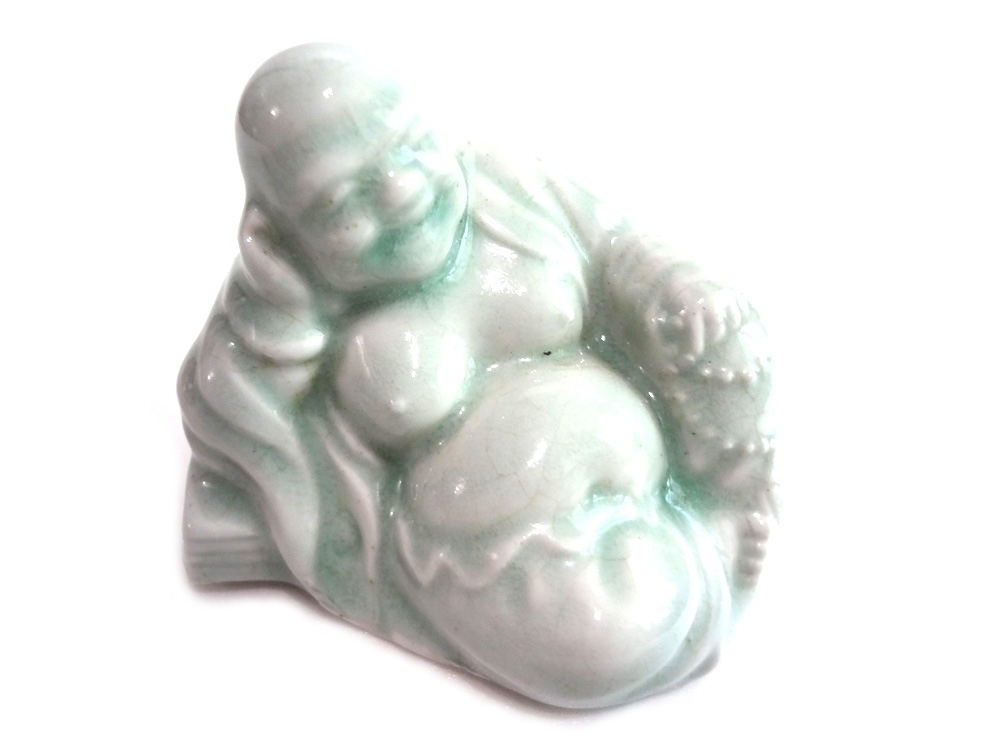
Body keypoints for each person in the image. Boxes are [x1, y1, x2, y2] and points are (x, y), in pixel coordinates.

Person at [178, 44, 777, 708]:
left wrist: (675, 284)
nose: (402, 193)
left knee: (725, 330)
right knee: (603, 644)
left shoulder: (502, 182)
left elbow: (614, 242)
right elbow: (225, 404)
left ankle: (724, 503)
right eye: (341, 202)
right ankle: (702, 562)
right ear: (276, 237)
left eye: (410, 148)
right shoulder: (287, 307)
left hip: (651, 465)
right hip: (504, 557)